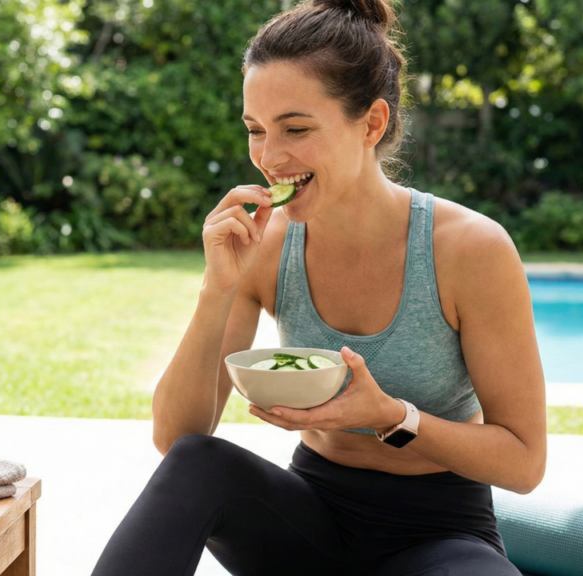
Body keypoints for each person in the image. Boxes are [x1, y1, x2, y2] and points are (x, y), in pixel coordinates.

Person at [90, 0, 547, 574]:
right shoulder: (267, 244)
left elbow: (525, 462)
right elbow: (177, 436)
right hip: (305, 523)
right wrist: (218, 287)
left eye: (296, 129)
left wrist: (391, 416)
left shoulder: (470, 250)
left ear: (372, 124)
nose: (270, 158)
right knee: (197, 463)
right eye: (256, 130)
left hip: (436, 532)